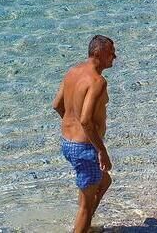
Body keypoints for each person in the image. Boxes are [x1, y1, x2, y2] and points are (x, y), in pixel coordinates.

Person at [53, 34, 116, 233]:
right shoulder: (97, 81)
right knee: (85, 206)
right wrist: (101, 150)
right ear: (97, 53)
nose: (114, 56)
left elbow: (57, 105)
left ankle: (85, 226)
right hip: (85, 147)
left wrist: (72, 129)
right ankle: (82, 227)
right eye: (111, 52)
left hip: (68, 144)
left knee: (104, 181)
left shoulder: (72, 71)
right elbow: (86, 120)